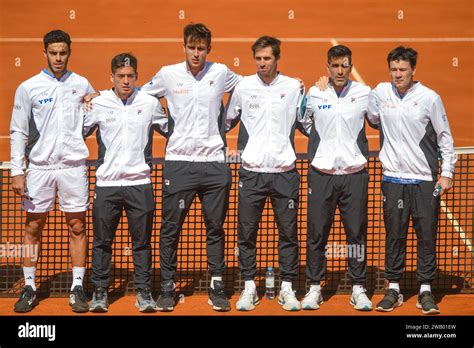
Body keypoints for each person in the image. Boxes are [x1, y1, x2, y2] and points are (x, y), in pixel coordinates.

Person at [140, 23, 243, 312]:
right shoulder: (167, 74)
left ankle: (217, 286)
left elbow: (250, 86)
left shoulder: (221, 72)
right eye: (191, 47)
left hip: (214, 165)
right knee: (171, 229)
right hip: (179, 164)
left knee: (215, 228)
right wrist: (163, 122)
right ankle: (168, 288)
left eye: (201, 48)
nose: (196, 53)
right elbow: (141, 95)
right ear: (183, 46)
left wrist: (291, 83)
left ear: (208, 49)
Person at [10, 30, 94, 313]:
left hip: (73, 167)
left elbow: (92, 118)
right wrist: (16, 170)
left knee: (78, 226)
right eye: (53, 53)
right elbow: (18, 130)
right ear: (44, 53)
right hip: (40, 168)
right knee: (33, 226)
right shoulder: (28, 87)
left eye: (63, 53)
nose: (58, 58)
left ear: (69, 53)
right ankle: (30, 286)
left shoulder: (81, 84)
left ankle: (78, 287)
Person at [367, 46, 456, 315]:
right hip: (393, 179)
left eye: (403, 70)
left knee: (426, 235)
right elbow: (372, 118)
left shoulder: (430, 98)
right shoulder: (380, 93)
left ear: (413, 70)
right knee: (395, 234)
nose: (397, 74)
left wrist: (447, 172)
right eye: (393, 69)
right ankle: (393, 288)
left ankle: (425, 290)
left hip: (424, 181)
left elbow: (445, 138)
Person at [84, 53, 167, 313]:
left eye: (130, 76)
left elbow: (172, 129)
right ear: (112, 78)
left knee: (141, 242)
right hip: (106, 185)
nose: (126, 81)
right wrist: (82, 101)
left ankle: (143, 291)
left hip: (140, 184)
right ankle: (99, 292)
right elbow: (78, 132)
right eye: (120, 76)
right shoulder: (99, 103)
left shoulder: (150, 103)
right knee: (102, 242)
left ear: (137, 77)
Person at [225, 36, 304, 311]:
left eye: (267, 58)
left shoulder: (294, 87)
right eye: (258, 58)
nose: (262, 63)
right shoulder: (243, 87)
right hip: (252, 173)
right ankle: (248, 286)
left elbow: (307, 121)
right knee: (246, 233)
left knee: (288, 233)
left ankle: (287, 288)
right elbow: (225, 119)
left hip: (285, 172)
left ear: (276, 59)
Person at [299, 45, 373, 311]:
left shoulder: (365, 93)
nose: (340, 70)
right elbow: (304, 122)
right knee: (317, 234)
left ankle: (358, 287)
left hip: (354, 175)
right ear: (327, 67)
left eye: (345, 65)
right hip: (322, 174)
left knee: (356, 234)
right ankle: (314, 287)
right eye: (335, 66)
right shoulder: (315, 93)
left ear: (350, 67)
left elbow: (376, 120)